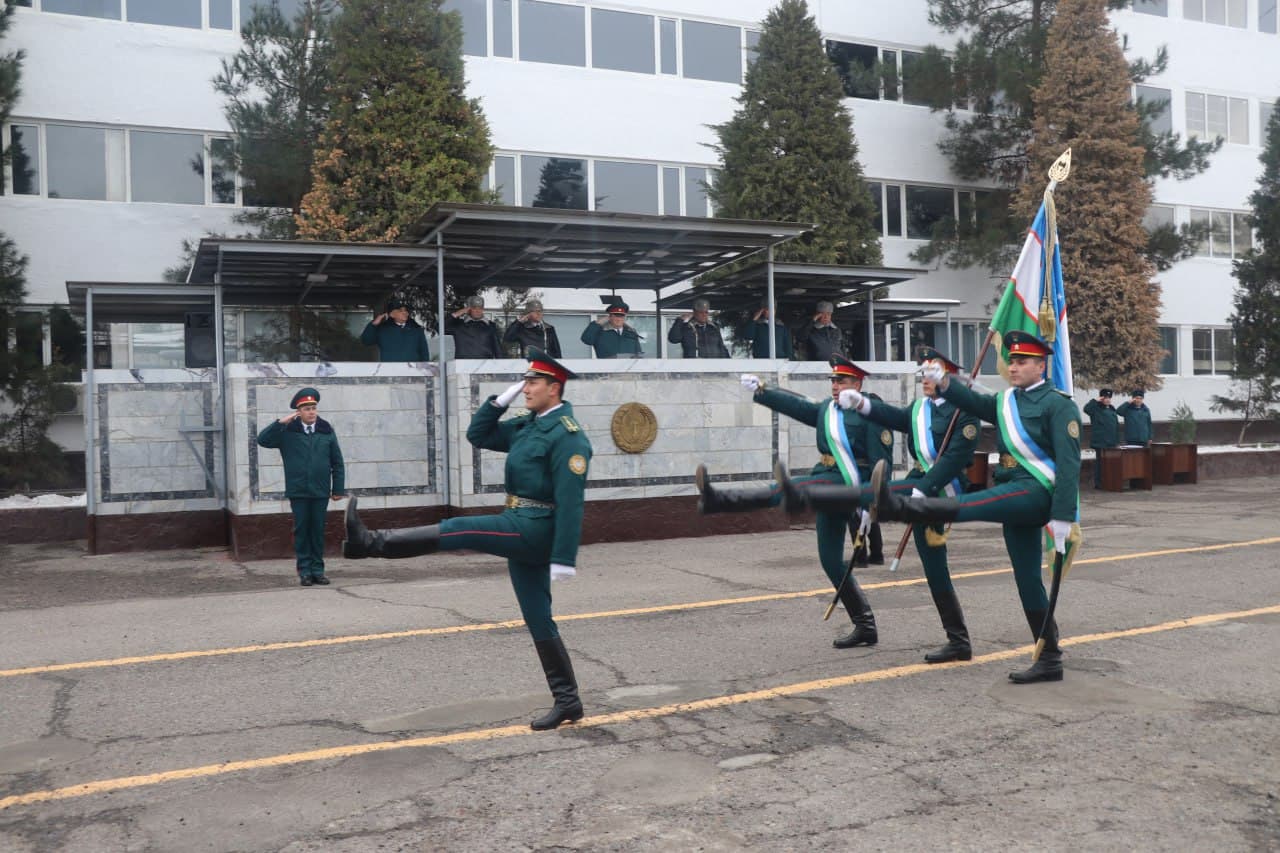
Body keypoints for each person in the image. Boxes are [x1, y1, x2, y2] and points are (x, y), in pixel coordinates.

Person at [800, 331, 1080, 684]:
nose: (1013, 366)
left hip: (1036, 493)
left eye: (1022, 361)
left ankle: (915, 507)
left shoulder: (1058, 404)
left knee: (967, 505)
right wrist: (944, 383)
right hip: (1012, 492)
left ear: (1041, 366)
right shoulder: (1007, 401)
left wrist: (1063, 516)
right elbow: (973, 401)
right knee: (1027, 581)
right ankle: (1050, 657)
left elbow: (1070, 464)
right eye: (1011, 360)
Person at [342, 349, 593, 730]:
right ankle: (569, 701)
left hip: (537, 528)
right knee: (538, 618)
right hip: (518, 519)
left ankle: (370, 542)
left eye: (533, 382)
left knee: (459, 528)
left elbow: (572, 502)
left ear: (554, 389)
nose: (526, 388)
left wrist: (564, 557)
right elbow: (478, 435)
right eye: (524, 381)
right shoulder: (529, 425)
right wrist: (499, 401)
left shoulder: (569, 437)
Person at [693, 355, 893, 649]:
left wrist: (872, 503)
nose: (836, 386)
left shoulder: (871, 413)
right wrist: (762, 391)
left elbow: (881, 462)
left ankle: (719, 499)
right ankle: (865, 625)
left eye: (843, 381)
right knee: (830, 562)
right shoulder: (828, 409)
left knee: (794, 487)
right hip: (826, 480)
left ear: (858, 384)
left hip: (845, 483)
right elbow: (797, 407)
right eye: (834, 381)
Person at [835, 346, 981, 663]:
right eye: (923, 375)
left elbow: (957, 459)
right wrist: (863, 404)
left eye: (931, 375)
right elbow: (896, 418)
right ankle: (959, 641)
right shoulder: (920, 409)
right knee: (934, 566)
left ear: (949, 378)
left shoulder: (963, 412)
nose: (925, 381)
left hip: (943, 489)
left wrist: (925, 487)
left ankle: (959, 641)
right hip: (920, 486)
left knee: (873, 497)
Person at [256, 387, 345, 587]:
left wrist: (338, 489)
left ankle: (318, 571)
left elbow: (337, 461)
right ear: (298, 412)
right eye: (306, 409)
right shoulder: (288, 432)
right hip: (299, 490)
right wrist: (280, 423)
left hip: (321, 491)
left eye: (313, 408)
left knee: (318, 530)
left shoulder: (326, 431)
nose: (311, 412)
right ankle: (305, 571)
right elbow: (262, 440)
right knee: (302, 530)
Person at [360, 297, 430, 362]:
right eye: (400, 310)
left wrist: (425, 372)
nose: (405, 312)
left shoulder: (417, 330)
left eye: (406, 310)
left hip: (412, 372)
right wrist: (373, 325)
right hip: (390, 372)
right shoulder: (383, 330)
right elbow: (366, 341)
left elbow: (424, 354)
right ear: (392, 314)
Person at [1083, 388, 1119, 488]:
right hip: (1100, 441)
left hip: (1111, 441)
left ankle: (1109, 481)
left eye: (1109, 398)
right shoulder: (1095, 408)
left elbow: (1115, 425)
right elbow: (1086, 409)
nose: (1107, 400)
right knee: (1100, 464)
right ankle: (1099, 483)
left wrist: (1117, 440)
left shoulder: (1112, 409)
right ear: (1102, 398)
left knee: (1110, 463)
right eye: (1105, 398)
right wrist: (1095, 400)